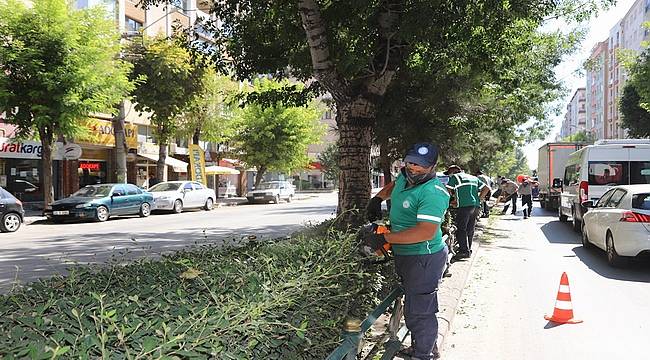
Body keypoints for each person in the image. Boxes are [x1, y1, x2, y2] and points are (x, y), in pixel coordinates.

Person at [364, 142, 450, 360]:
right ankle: (426, 346)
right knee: (414, 306)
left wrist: (384, 238)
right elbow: (395, 185)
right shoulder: (406, 175)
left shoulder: (433, 192)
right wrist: (378, 198)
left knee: (421, 311)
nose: (413, 168)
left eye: (420, 165)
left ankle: (423, 354)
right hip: (407, 254)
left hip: (424, 257)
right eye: (410, 162)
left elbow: (425, 232)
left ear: (432, 166)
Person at [446, 165, 490, 260]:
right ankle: (468, 249)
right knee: (470, 228)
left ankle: (463, 251)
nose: (449, 176)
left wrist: (449, 202)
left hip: (464, 206)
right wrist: (479, 199)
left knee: (461, 229)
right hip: (476, 206)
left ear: (452, 172)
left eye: (449, 174)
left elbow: (447, 191)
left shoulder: (455, 177)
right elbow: (486, 189)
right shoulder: (473, 177)